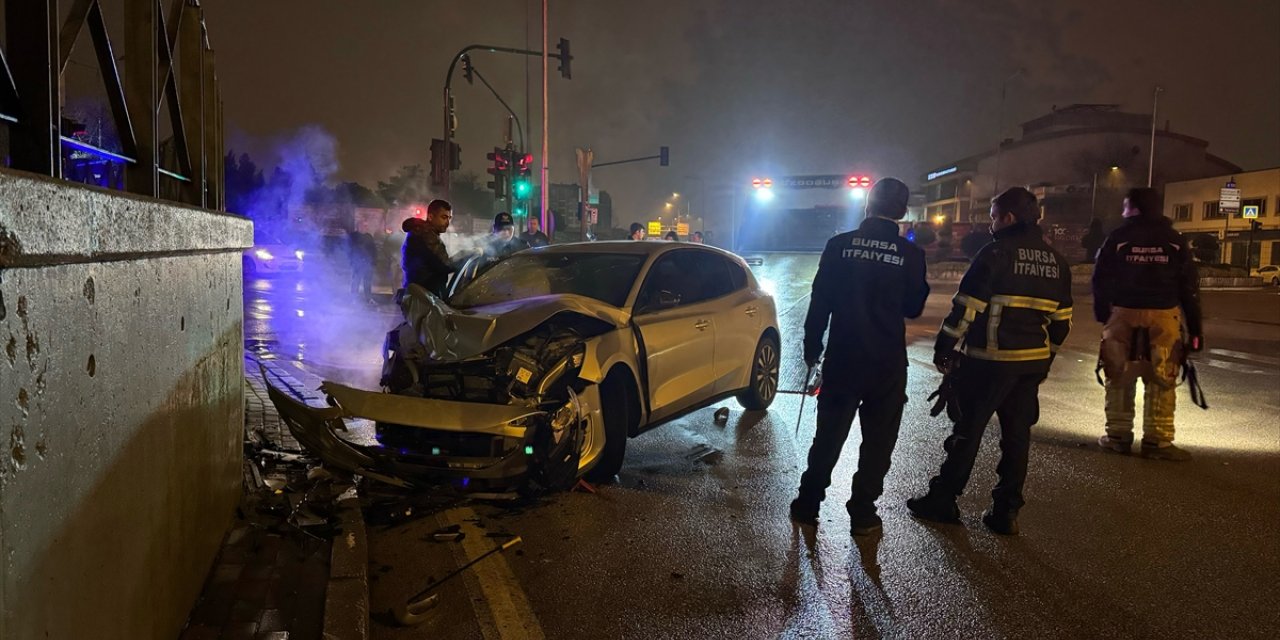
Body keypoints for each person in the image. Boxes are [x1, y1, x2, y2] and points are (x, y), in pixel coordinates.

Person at [907, 187, 1073, 536]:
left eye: (994, 216)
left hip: (990, 361)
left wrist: (944, 347)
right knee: (1016, 438)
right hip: (1031, 364)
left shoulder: (996, 253)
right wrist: (1045, 361)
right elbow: (1062, 321)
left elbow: (966, 307)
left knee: (967, 432)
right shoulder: (1056, 261)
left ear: (1009, 218)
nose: (992, 223)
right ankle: (1005, 512)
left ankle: (943, 500)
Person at [790, 177, 929, 536]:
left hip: (844, 356)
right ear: (901, 211)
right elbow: (914, 307)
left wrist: (811, 346)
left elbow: (819, 300)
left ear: (868, 204)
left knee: (829, 434)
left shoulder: (839, 246)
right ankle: (863, 511)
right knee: (879, 439)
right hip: (886, 362)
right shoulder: (910, 254)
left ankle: (808, 502)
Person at [1093, 187, 1202, 461]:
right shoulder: (1175, 240)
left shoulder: (1118, 238)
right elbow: (1189, 287)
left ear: (1136, 208)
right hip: (1164, 314)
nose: (1122, 211)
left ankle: (1117, 435)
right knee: (1162, 374)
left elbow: (1100, 277)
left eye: (1126, 206)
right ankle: (1158, 440)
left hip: (1123, 312)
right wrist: (1196, 329)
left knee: (1118, 372)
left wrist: (1102, 311)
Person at [400, 199, 456, 299]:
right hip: (425, 297)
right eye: (444, 217)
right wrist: (466, 255)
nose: (448, 223)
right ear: (430, 217)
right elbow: (445, 265)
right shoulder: (426, 234)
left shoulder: (422, 232)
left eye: (449, 218)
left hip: (421, 295)